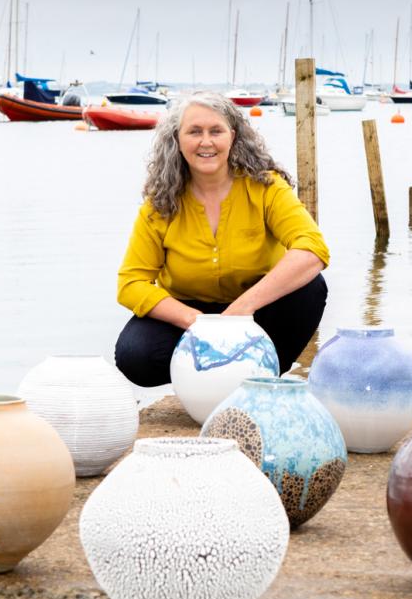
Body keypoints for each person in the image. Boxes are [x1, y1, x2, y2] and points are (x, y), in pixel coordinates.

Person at [114, 91, 329, 387]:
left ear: (233, 136)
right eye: (194, 132)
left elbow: (312, 249)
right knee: (134, 355)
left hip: (257, 311)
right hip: (188, 314)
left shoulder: (266, 187)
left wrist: (242, 310)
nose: (206, 142)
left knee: (310, 288)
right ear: (177, 139)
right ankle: (201, 382)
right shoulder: (160, 202)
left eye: (216, 131)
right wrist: (195, 321)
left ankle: (263, 379)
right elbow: (131, 283)